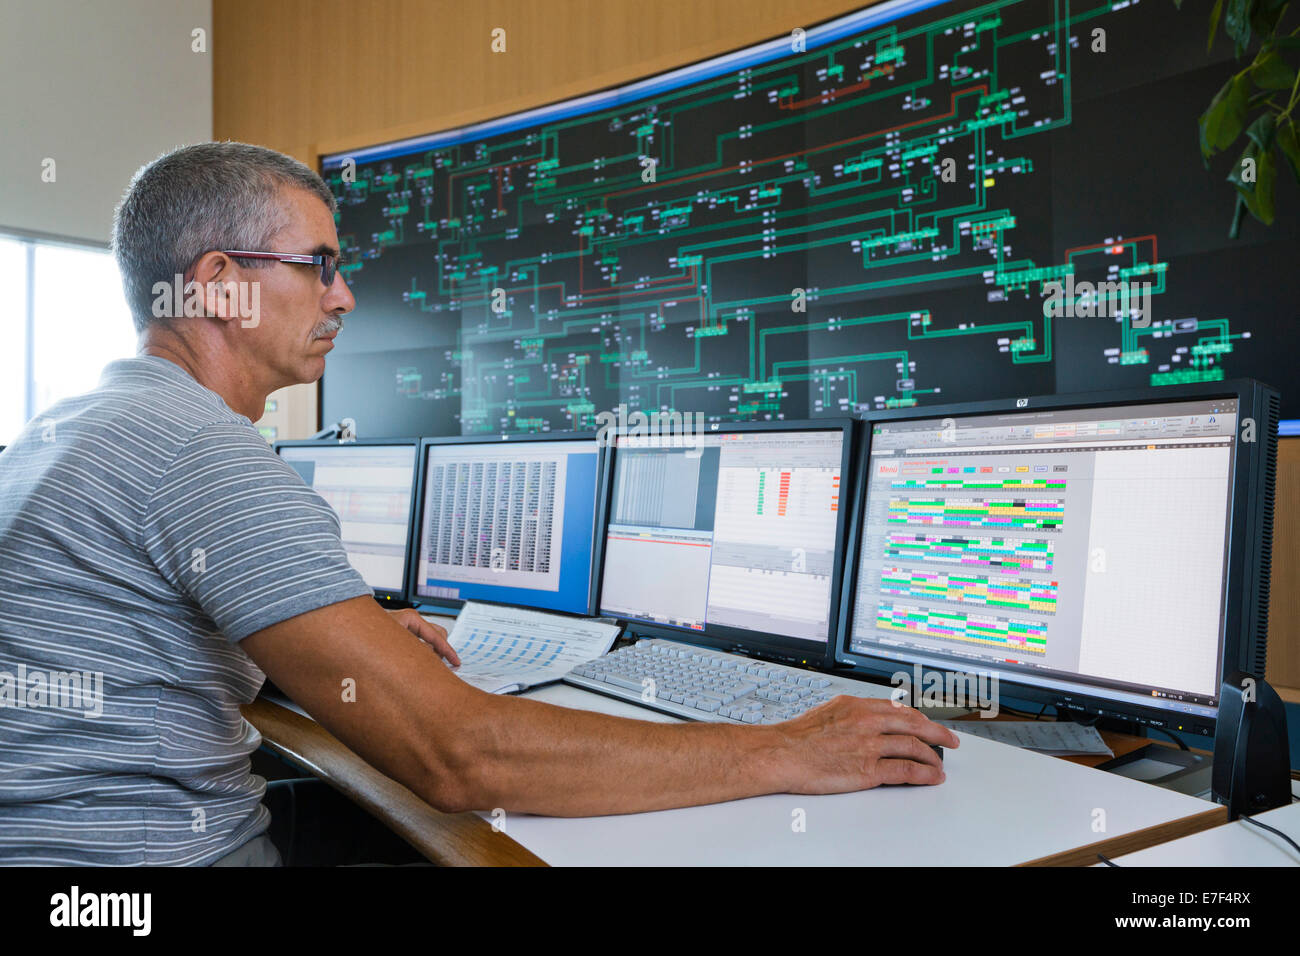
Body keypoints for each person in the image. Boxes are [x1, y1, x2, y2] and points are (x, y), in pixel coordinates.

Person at [0, 142, 957, 865]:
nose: (346, 297)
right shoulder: (206, 454)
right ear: (219, 285)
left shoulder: (81, 423)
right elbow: (461, 756)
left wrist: (339, 657)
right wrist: (779, 753)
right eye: (318, 265)